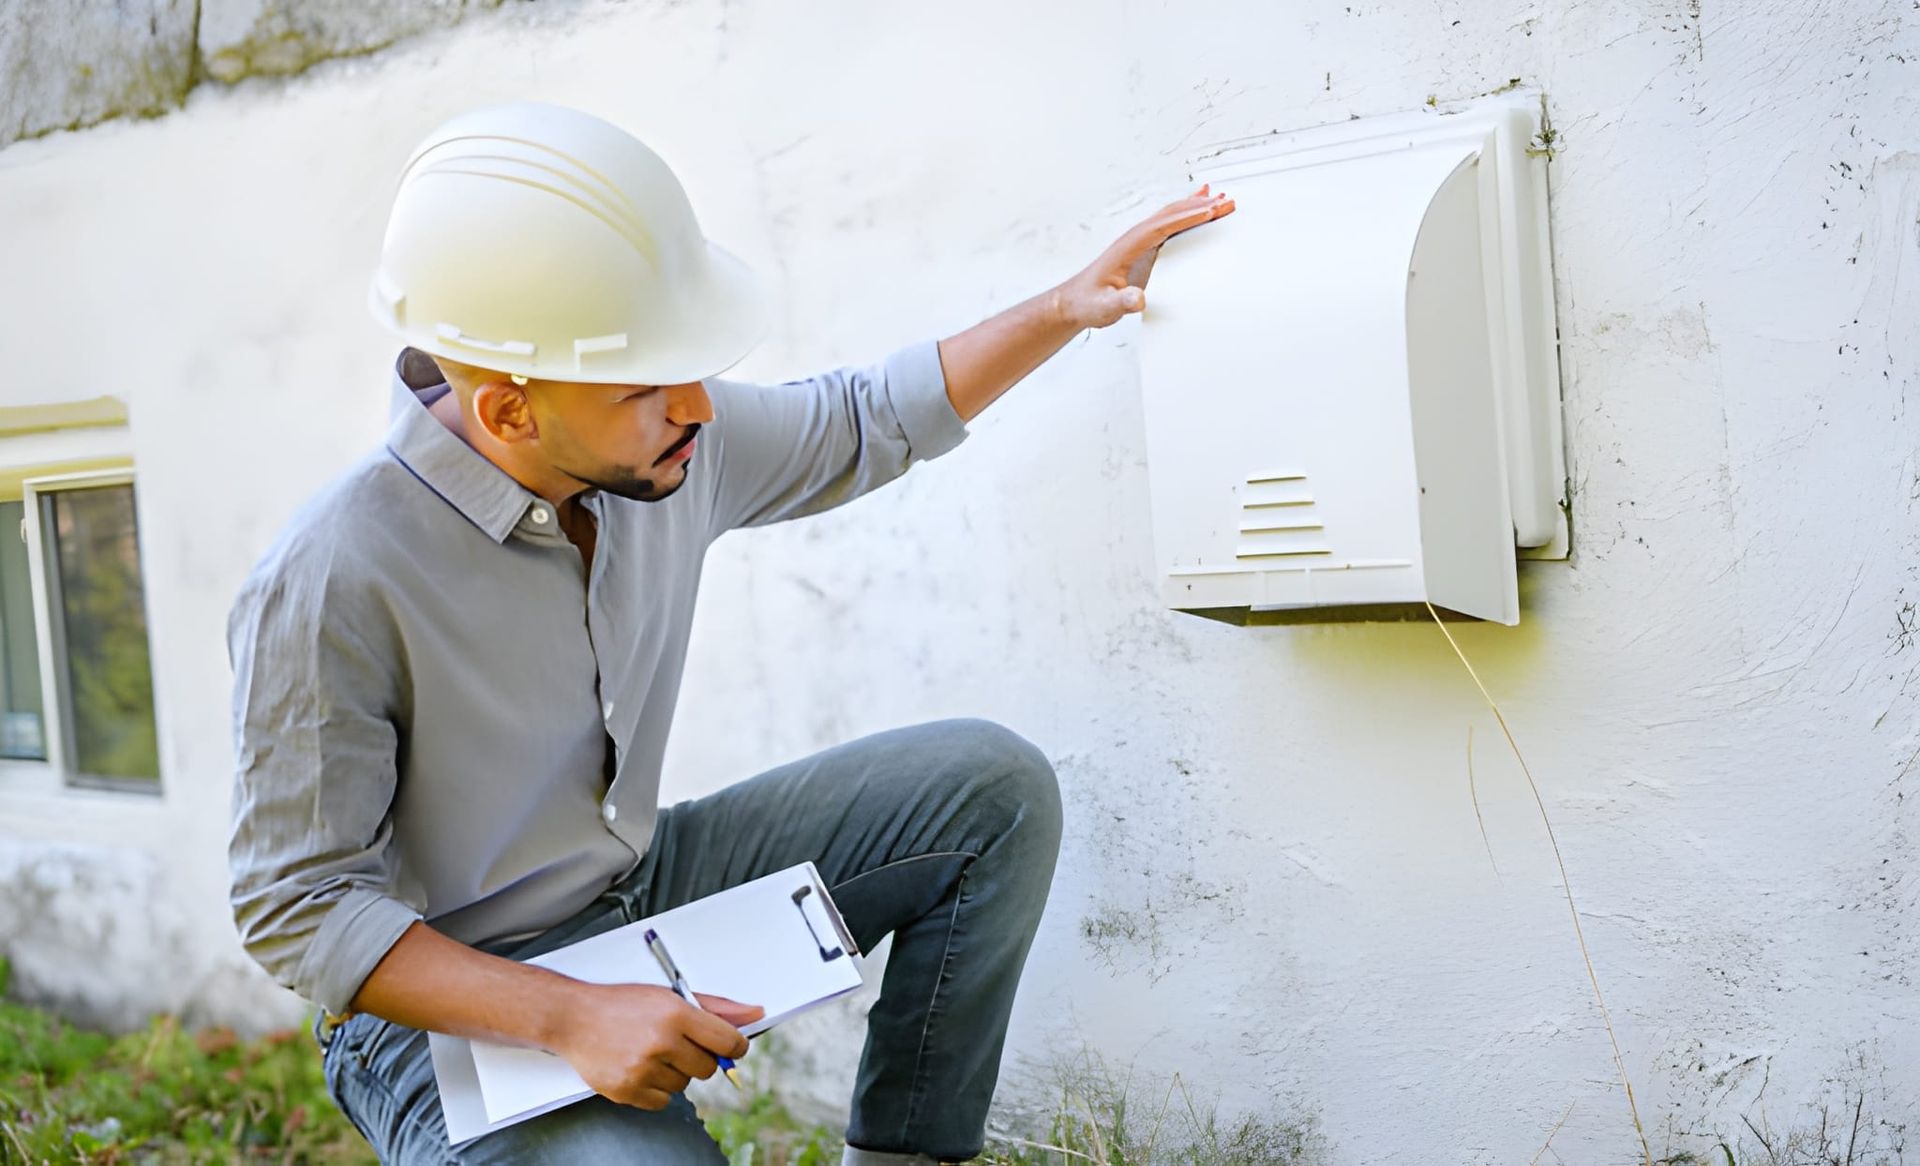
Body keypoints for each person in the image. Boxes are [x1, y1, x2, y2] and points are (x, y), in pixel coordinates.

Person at [226, 102, 1234, 1165]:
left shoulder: (662, 443)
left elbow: (863, 418)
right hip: (443, 1004)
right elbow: (299, 907)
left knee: (989, 790)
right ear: (511, 414)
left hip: (636, 887)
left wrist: (1067, 307)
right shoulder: (333, 574)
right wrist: (573, 1015)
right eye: (646, 386)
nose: (700, 407)